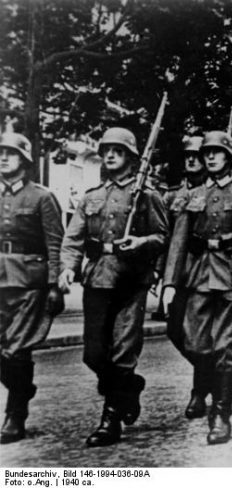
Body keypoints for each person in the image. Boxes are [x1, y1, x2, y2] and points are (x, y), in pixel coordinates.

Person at [59, 127, 169, 447]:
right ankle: (129, 388)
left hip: (131, 279)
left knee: (122, 350)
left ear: (131, 159)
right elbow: (74, 238)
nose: (109, 155)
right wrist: (68, 268)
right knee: (94, 353)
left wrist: (141, 242)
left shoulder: (147, 195)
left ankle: (110, 420)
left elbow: (162, 237)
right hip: (97, 277)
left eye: (117, 151)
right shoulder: (91, 196)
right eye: (106, 150)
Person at [162, 130, 232, 444]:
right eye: (207, 152)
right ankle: (209, 386)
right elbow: (179, 241)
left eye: (217, 152)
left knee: (226, 346)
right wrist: (171, 282)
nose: (209, 157)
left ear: (230, 157)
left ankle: (221, 415)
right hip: (199, 274)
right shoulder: (193, 194)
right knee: (195, 342)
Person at [0, 132, 65, 444]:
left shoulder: (42, 197)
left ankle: (15, 415)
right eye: (0, 152)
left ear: (24, 162)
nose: (3, 158)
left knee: (16, 351)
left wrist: (55, 285)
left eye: (10, 154)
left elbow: (55, 244)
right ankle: (23, 389)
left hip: (29, 283)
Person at [160, 137, 211, 419]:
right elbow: (166, 236)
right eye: (187, 155)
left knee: (197, 335)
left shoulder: (211, 191)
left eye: (197, 155)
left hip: (204, 269)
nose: (191, 160)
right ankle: (212, 370)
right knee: (174, 331)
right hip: (176, 270)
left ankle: (199, 392)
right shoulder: (171, 195)